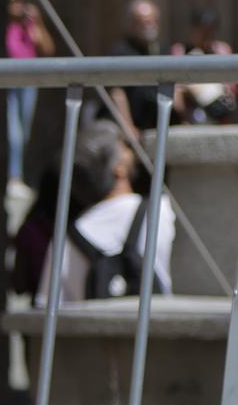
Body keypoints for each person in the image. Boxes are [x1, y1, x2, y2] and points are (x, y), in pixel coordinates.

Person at [39, 122, 176, 306]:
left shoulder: (68, 238)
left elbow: (48, 307)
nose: (131, 152)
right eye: (125, 147)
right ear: (119, 168)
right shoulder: (161, 211)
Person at [2, 0, 55, 180]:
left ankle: (18, 172)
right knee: (12, 132)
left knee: (23, 131)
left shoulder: (29, 25)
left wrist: (38, 23)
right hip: (7, 80)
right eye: (14, 1)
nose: (18, 6)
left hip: (27, 81)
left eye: (20, 1)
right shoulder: (7, 25)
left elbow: (48, 50)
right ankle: (13, 175)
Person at [171, 9, 236, 125]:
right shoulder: (180, 50)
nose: (207, 35)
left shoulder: (222, 50)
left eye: (210, 30)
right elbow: (175, 90)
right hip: (191, 114)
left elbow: (231, 87)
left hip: (218, 113)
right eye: (202, 30)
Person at [108, 0, 164, 131]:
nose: (149, 26)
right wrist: (129, 128)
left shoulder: (160, 50)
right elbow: (117, 92)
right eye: (143, 22)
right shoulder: (121, 51)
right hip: (126, 125)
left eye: (152, 21)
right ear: (132, 24)